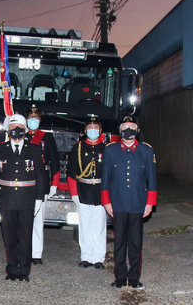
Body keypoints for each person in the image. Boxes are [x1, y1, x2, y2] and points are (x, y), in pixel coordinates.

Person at [0, 114, 48, 281]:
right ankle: (12, 269)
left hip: (27, 198)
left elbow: (41, 176)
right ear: (8, 130)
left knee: (25, 236)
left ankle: (24, 270)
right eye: (13, 128)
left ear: (26, 130)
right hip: (6, 198)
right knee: (9, 235)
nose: (16, 131)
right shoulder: (0, 148)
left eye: (20, 128)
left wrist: (39, 199)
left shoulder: (35, 149)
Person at [102, 116, 157, 289]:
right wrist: (106, 201)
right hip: (117, 203)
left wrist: (150, 203)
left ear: (137, 130)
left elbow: (152, 179)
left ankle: (134, 277)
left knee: (135, 242)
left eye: (131, 127)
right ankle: (119, 277)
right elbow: (105, 179)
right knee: (119, 243)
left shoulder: (146, 151)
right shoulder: (111, 150)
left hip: (137, 202)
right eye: (125, 127)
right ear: (120, 130)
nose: (128, 130)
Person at [67, 115, 107, 269]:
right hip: (83, 191)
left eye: (96, 128)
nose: (93, 130)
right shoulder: (78, 148)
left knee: (99, 226)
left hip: (100, 192)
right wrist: (74, 194)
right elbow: (71, 173)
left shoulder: (106, 149)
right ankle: (86, 257)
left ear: (100, 130)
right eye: (90, 128)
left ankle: (98, 258)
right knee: (84, 226)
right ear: (85, 130)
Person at [25, 105, 60, 265]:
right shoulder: (20, 135)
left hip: (41, 181)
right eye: (31, 118)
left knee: (38, 219)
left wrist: (54, 184)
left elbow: (54, 161)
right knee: (22, 219)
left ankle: (36, 253)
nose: (33, 120)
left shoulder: (47, 137)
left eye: (36, 118)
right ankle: (23, 251)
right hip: (23, 181)